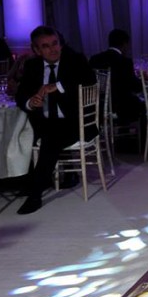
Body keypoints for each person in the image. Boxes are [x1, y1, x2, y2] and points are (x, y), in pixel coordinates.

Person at [15, 26, 97, 214]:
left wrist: (56, 86)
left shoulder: (75, 60)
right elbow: (21, 94)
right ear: (36, 50)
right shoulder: (32, 66)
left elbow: (89, 80)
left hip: (74, 122)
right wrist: (31, 102)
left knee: (51, 138)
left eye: (55, 44)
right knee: (20, 132)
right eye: (46, 46)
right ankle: (18, 180)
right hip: (43, 122)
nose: (53, 49)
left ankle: (35, 193)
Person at [89, 29, 144, 124]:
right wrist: (143, 80)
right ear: (124, 44)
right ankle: (137, 133)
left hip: (98, 106)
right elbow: (134, 86)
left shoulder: (94, 59)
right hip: (120, 107)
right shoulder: (125, 62)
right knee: (146, 106)